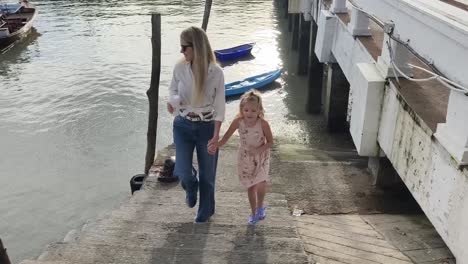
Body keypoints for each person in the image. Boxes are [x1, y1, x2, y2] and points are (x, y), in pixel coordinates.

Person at [167, 26, 225, 223]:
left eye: (184, 47)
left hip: (207, 126)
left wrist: (216, 135)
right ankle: (191, 186)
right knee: (182, 171)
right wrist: (173, 101)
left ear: (196, 47)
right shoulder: (180, 67)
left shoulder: (215, 72)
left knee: (207, 175)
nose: (181, 52)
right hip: (182, 124)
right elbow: (172, 89)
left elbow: (220, 105)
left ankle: (205, 211)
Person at [208, 90, 273, 225]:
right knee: (251, 186)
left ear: (259, 110)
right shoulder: (238, 122)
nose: (249, 113)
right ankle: (254, 212)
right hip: (245, 158)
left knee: (261, 182)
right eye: (246, 110)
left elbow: (271, 142)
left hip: (261, 157)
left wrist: (258, 150)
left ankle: (260, 206)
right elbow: (226, 137)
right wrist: (216, 145)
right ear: (242, 109)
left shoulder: (263, 124)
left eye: (253, 111)